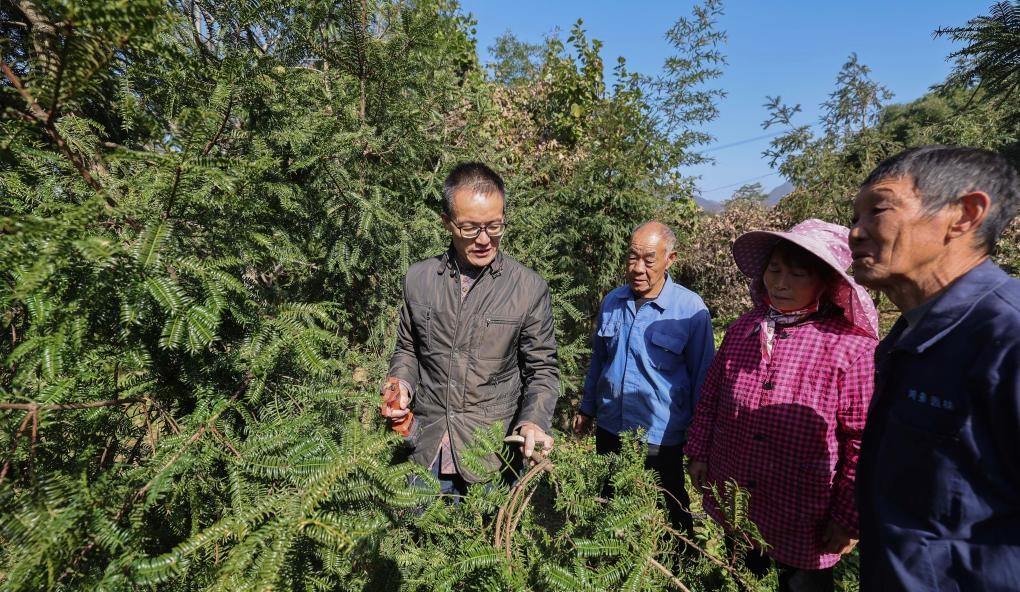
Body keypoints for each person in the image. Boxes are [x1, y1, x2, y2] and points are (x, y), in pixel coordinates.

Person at [850, 145, 1020, 591]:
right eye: (856, 216)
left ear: (964, 215)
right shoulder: (909, 334)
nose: (855, 232)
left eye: (878, 210)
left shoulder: (1007, 339)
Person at [685, 219, 879, 592]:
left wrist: (848, 518)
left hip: (805, 514)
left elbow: (863, 444)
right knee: (745, 577)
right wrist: (699, 453)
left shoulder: (850, 349)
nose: (780, 283)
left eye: (797, 273)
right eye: (773, 270)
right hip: (739, 493)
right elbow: (712, 397)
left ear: (827, 283)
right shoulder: (745, 330)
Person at [381, 162, 559, 496]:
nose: (484, 239)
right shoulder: (419, 280)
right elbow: (408, 349)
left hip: (490, 455)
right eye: (470, 228)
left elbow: (542, 371)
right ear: (446, 223)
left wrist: (533, 421)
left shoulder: (528, 288)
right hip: (424, 448)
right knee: (416, 544)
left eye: (495, 226)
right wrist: (400, 383)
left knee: (482, 546)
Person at [574, 221, 715, 534]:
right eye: (632, 257)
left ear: (670, 259)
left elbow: (704, 380)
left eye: (648, 260)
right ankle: (611, 560)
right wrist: (587, 409)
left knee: (671, 504)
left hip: (661, 435)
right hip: (611, 426)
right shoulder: (613, 301)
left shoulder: (690, 310)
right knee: (609, 499)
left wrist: (700, 443)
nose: (637, 268)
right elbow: (599, 360)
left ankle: (681, 561)